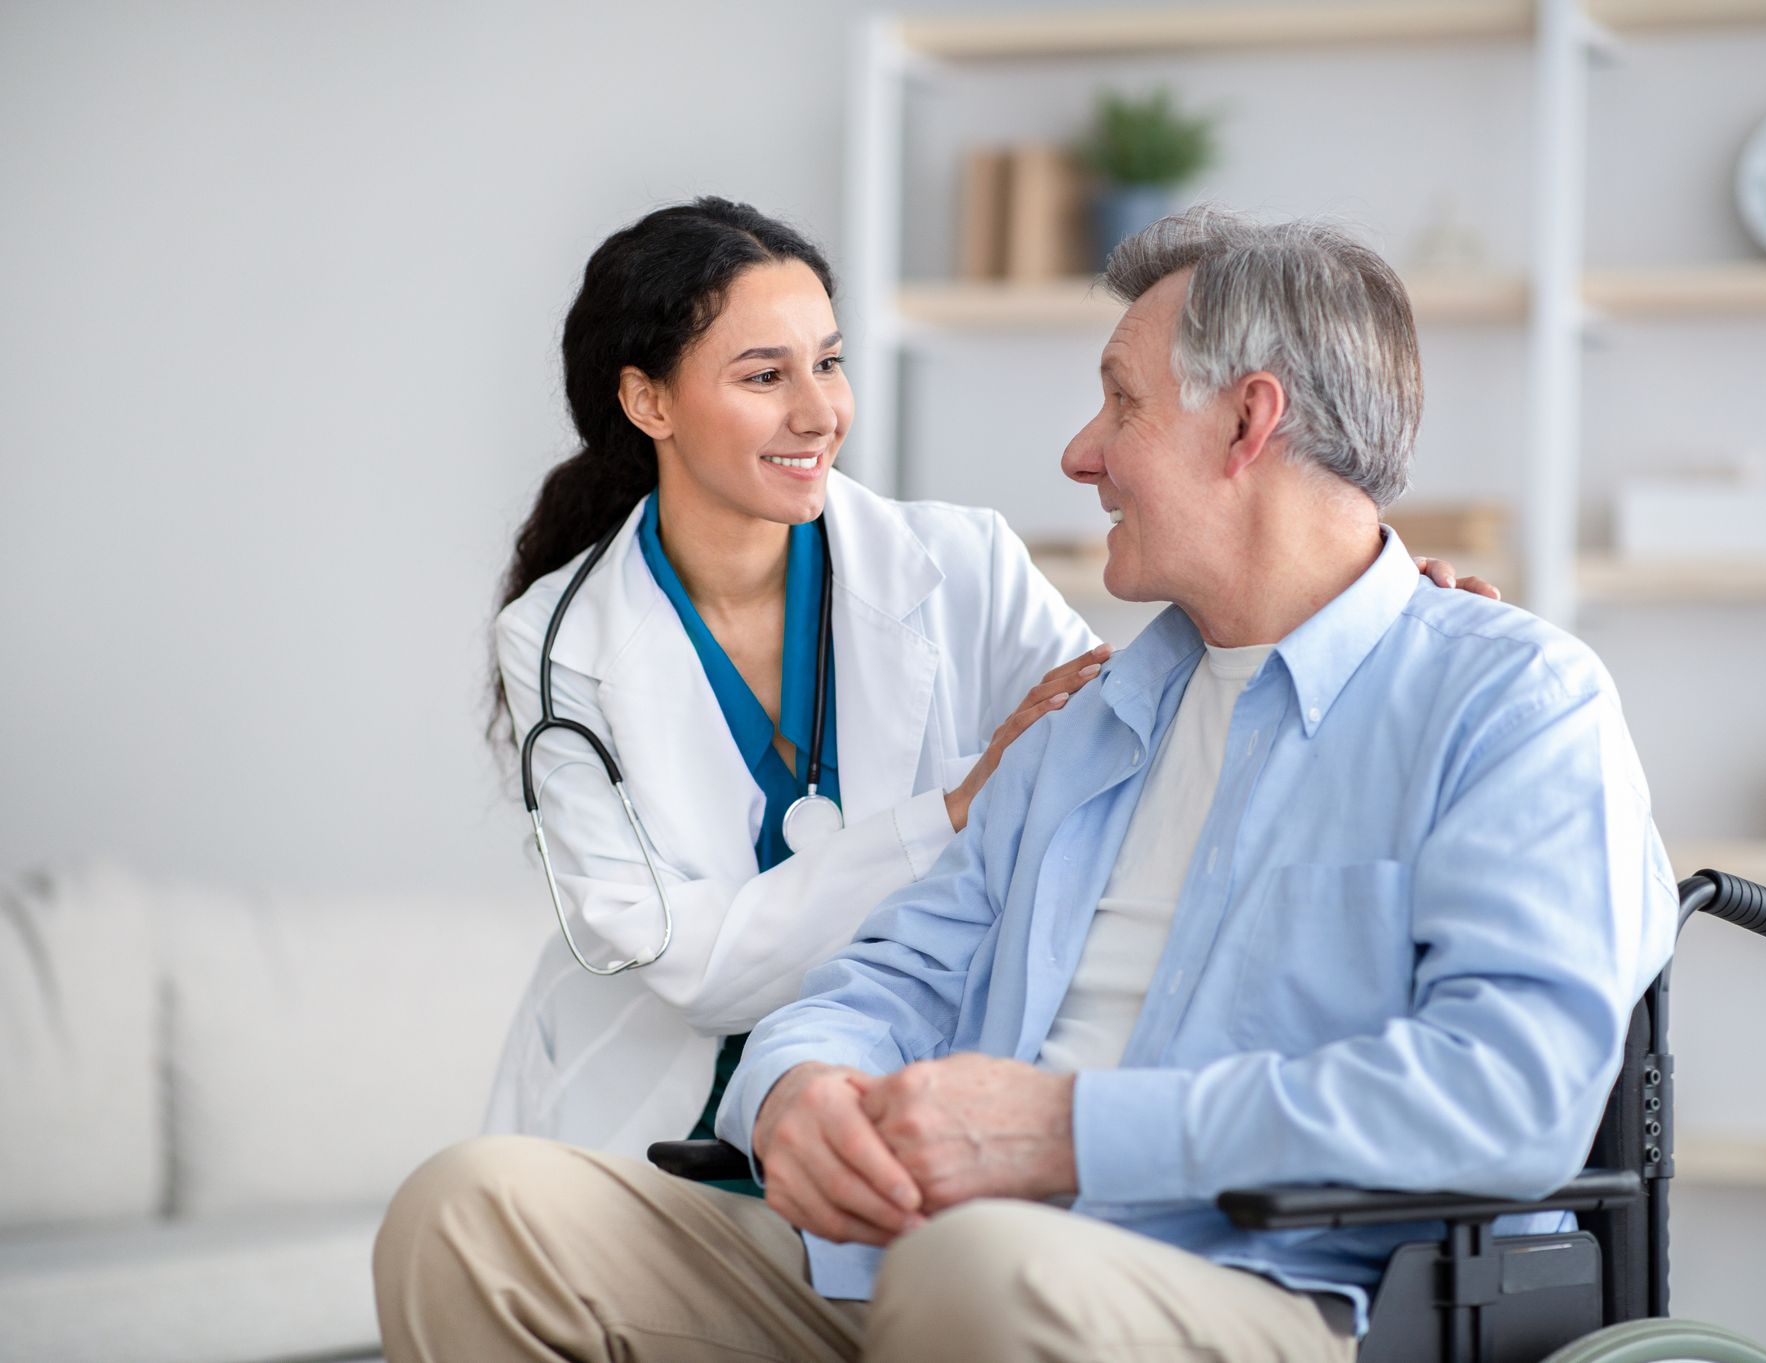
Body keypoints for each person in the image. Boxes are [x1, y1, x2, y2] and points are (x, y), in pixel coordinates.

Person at [480, 197, 1492, 1168]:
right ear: (648, 398)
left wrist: (1371, 606)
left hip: (888, 1104)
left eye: (830, 363)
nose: (818, 411)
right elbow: (688, 964)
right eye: (762, 376)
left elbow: (1134, 730)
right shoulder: (560, 642)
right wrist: (956, 811)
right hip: (652, 1106)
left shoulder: (957, 563)